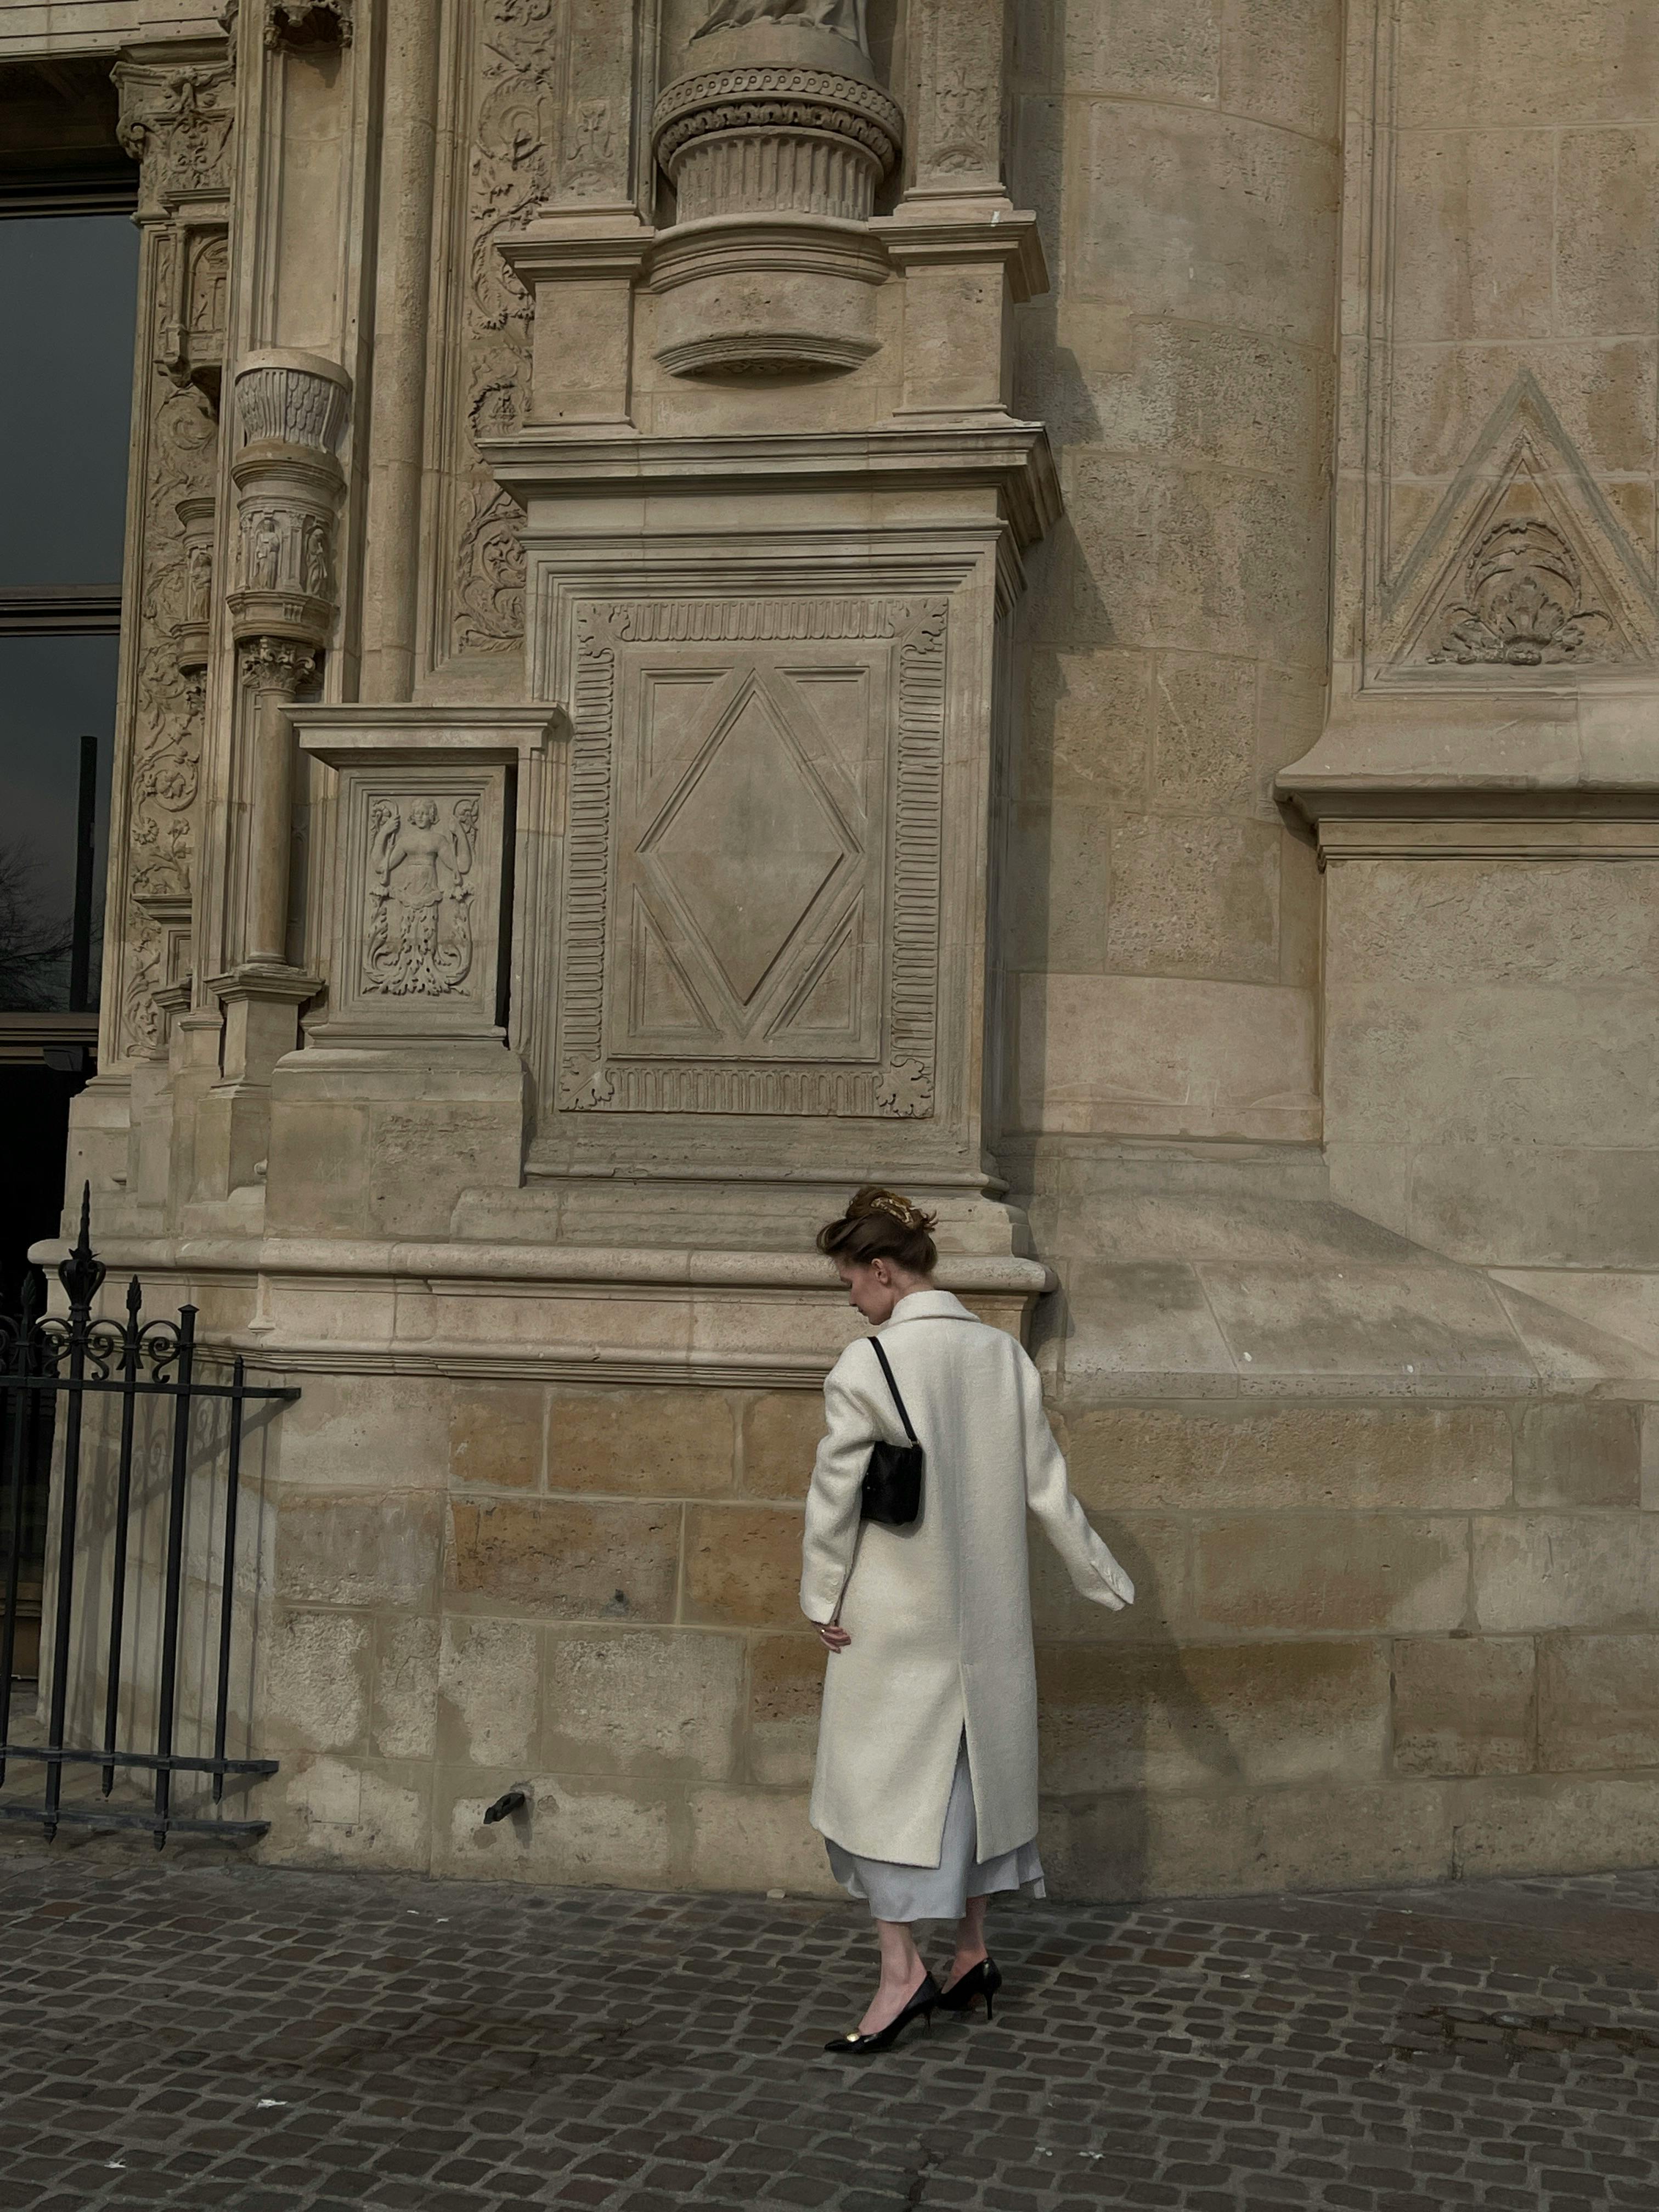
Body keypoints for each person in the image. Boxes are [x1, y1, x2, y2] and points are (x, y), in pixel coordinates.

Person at [802, 1186, 1135, 2055]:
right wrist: (1099, 1574)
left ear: (882, 1271)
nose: (850, 1299)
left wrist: (820, 1595)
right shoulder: (1001, 1356)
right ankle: (973, 1954)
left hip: (893, 1612)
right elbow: (1046, 1485)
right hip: (987, 1615)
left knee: (877, 1789)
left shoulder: (864, 1365)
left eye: (851, 1281)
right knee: (973, 1778)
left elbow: (835, 1497)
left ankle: (901, 1971)